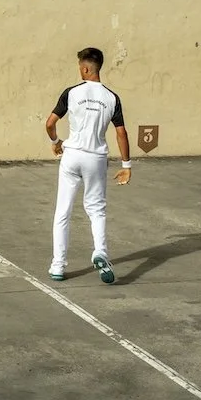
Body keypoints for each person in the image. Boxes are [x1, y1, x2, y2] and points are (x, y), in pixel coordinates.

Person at [45, 47, 131, 283]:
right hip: (96, 159)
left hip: (72, 156)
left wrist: (55, 142)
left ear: (84, 68)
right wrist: (127, 165)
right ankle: (100, 252)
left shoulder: (71, 93)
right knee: (96, 209)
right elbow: (121, 133)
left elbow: (50, 123)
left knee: (63, 211)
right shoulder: (112, 98)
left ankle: (58, 266)